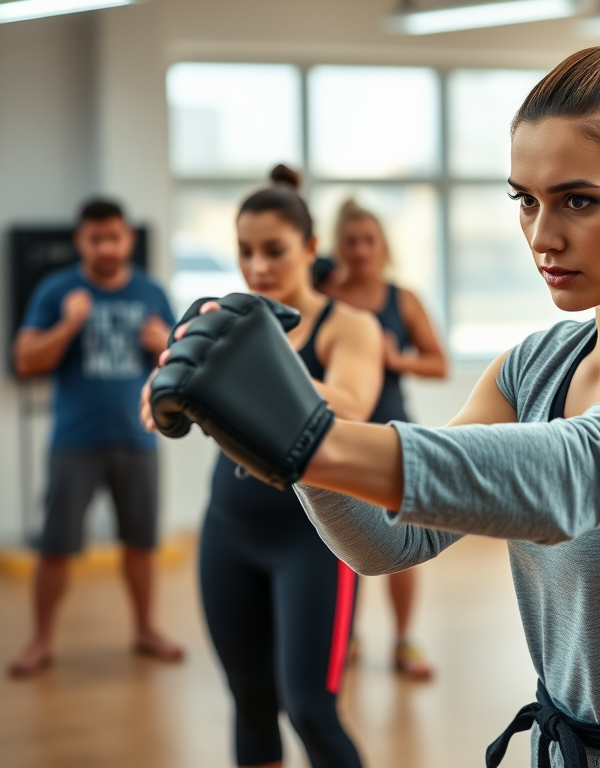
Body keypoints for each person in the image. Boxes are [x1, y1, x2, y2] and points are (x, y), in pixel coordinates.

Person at [144, 24, 600, 768]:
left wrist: (307, 433)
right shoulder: (533, 367)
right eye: (525, 201)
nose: (541, 236)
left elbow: (570, 475)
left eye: (578, 201)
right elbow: (388, 539)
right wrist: (277, 423)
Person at [193, 165, 382, 768]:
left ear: (309, 249)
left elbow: (350, 404)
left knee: (310, 710)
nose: (258, 267)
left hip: (313, 540)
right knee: (249, 701)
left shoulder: (346, 325)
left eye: (273, 251)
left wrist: (253, 366)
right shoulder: (228, 321)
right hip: (228, 529)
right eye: (245, 252)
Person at [8, 198, 182, 678]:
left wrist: (164, 344)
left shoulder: (150, 291)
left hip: (138, 437)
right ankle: (40, 640)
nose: (106, 247)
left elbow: (182, 363)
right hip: (75, 442)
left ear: (128, 239)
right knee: (55, 546)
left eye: (115, 237)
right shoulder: (57, 289)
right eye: (95, 238)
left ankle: (146, 628)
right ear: (80, 241)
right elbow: (25, 361)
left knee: (141, 543)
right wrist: (69, 324)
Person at [314, 199, 448, 680]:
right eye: (351, 241)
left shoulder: (402, 299)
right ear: (339, 247)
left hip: (394, 434)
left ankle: (404, 639)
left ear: (382, 246)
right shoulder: (325, 300)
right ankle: (346, 635)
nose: (361, 250)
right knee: (345, 544)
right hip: (342, 435)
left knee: (401, 541)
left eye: (369, 240)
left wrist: (398, 360)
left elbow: (438, 363)